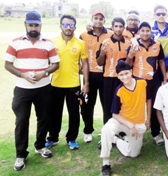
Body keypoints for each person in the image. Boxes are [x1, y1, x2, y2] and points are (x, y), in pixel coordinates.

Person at [4, 11, 60, 171]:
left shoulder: (48, 43)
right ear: (25, 25)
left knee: (44, 119)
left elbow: (56, 64)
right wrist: (23, 74)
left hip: (43, 88)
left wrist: (45, 72)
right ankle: (21, 154)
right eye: (30, 25)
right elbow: (7, 65)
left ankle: (40, 145)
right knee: (21, 121)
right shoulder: (15, 43)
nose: (33, 28)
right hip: (23, 89)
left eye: (36, 25)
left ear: (40, 25)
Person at [100, 60, 151, 176]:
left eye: (126, 73)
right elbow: (115, 114)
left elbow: (148, 99)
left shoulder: (143, 82)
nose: (125, 76)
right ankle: (105, 164)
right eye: (121, 74)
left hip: (138, 123)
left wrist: (148, 118)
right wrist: (130, 125)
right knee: (106, 129)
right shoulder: (119, 90)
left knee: (134, 154)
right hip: (121, 121)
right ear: (118, 76)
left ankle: (116, 140)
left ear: (131, 71)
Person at [46, 14, 89, 150]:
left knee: (74, 113)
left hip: (73, 84)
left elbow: (85, 64)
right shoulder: (52, 42)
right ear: (60, 26)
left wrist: (86, 83)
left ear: (75, 27)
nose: (68, 28)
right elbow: (46, 62)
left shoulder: (80, 43)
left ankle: (72, 138)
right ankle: (53, 138)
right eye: (65, 24)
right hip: (56, 84)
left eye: (71, 25)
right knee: (54, 113)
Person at [125, 22, 167, 145]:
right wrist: (130, 55)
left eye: (147, 30)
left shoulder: (157, 45)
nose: (145, 33)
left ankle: (156, 133)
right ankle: (134, 132)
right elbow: (127, 65)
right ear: (139, 32)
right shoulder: (133, 45)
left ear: (151, 32)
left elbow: (161, 62)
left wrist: (165, 77)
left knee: (155, 107)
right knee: (136, 108)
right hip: (137, 82)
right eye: (142, 31)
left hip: (154, 82)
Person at [80, 10, 113, 143]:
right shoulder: (83, 34)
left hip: (106, 75)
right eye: (96, 18)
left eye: (101, 19)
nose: (98, 21)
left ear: (104, 21)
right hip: (90, 74)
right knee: (87, 104)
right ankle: (88, 130)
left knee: (107, 104)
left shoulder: (110, 33)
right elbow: (80, 52)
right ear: (92, 19)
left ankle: (107, 130)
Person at [96, 17, 131, 126]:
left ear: (124, 28)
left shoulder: (128, 43)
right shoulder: (105, 42)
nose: (118, 29)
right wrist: (102, 54)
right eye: (116, 26)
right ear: (112, 27)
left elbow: (130, 64)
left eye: (121, 26)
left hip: (124, 79)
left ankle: (123, 132)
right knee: (108, 106)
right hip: (109, 78)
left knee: (123, 106)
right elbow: (99, 63)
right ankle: (108, 133)